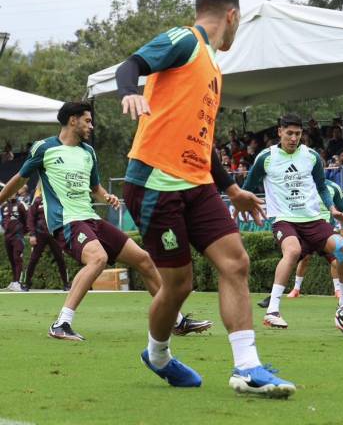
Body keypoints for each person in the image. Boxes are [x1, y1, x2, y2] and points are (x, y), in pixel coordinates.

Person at [115, 0, 294, 396]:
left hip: (197, 184)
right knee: (178, 285)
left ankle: (247, 368)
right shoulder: (185, 40)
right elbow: (132, 65)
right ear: (231, 16)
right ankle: (157, 355)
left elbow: (202, 139)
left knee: (236, 263)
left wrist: (231, 189)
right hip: (156, 182)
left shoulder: (212, 68)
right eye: (239, 24)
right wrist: (129, 92)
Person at [0, 102, 212, 342]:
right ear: (72, 120)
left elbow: (95, 187)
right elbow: (19, 180)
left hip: (90, 219)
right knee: (98, 258)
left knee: (143, 259)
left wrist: (105, 196)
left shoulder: (88, 152)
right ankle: (61, 323)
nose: (91, 126)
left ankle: (177, 321)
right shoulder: (44, 148)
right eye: (87, 121)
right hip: (67, 221)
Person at [243, 113, 343, 330]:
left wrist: (332, 208)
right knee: (292, 252)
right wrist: (246, 205)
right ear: (280, 132)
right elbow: (247, 186)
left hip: (313, 219)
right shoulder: (266, 157)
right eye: (289, 133)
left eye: (298, 134)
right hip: (284, 219)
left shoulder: (311, 156)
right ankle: (272, 311)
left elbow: (322, 186)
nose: (294, 138)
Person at [257, 178, 343, 307]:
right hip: (306, 231)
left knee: (340, 262)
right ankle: (276, 297)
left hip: (324, 233)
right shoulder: (302, 184)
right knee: (291, 260)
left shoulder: (333, 187)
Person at [23, 186, 70, 290]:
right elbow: (30, 219)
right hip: (40, 234)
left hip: (55, 234)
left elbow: (64, 217)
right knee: (33, 259)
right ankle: (26, 284)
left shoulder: (57, 200)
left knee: (60, 259)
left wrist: (63, 234)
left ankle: (66, 284)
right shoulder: (38, 201)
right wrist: (32, 235)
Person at [1, 191, 27, 291]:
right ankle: (13, 282)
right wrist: (5, 228)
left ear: (16, 193)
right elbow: (3, 220)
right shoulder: (4, 206)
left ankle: (18, 283)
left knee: (17, 258)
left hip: (18, 237)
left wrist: (22, 231)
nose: (11, 194)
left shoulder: (21, 205)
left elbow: (27, 219)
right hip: (7, 237)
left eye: (13, 193)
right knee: (12, 259)